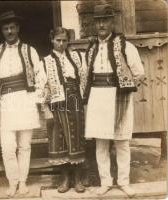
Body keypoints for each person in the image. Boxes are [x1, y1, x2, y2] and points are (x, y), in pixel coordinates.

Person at [84, 4, 145, 197]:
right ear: (95, 24)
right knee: (101, 142)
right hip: (97, 96)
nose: (101, 24)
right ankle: (105, 181)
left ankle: (124, 182)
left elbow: (139, 73)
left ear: (112, 22)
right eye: (98, 21)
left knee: (121, 141)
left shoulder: (126, 46)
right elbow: (87, 74)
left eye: (105, 20)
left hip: (118, 96)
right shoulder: (91, 48)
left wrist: (125, 88)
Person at [0, 11, 47, 197]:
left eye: (12, 27)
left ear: (18, 28)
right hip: (5, 102)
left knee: (25, 146)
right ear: (2, 31)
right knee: (7, 147)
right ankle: (12, 181)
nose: (9, 31)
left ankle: (22, 182)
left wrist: (38, 99)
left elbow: (41, 76)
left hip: (25, 100)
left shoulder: (30, 50)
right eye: (6, 28)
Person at [41, 27, 88, 193]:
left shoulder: (77, 57)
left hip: (75, 99)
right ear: (52, 40)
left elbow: (83, 78)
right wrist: (46, 108)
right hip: (57, 102)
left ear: (68, 41)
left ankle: (78, 178)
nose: (61, 43)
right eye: (58, 40)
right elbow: (43, 86)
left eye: (64, 40)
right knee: (59, 138)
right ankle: (65, 178)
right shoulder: (46, 61)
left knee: (76, 136)